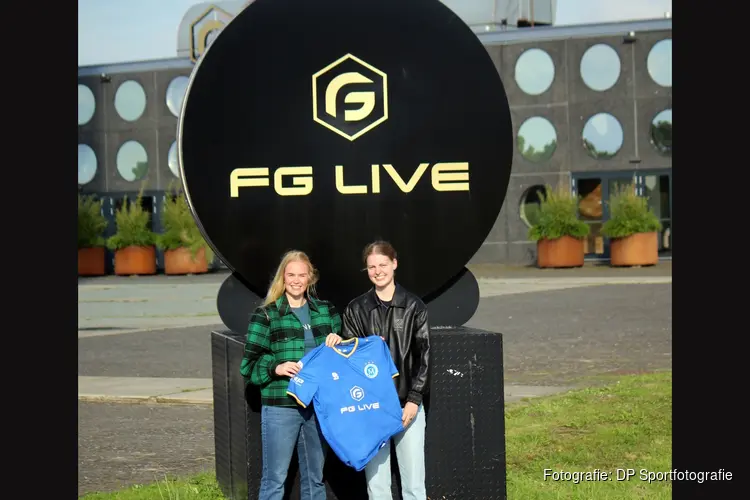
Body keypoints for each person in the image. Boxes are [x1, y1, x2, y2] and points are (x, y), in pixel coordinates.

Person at [326, 240, 430, 500]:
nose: (378, 271)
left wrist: (414, 400)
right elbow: (349, 362)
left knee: (414, 486)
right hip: (370, 410)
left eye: (383, 264)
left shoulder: (414, 307)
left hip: (407, 406)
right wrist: (339, 344)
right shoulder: (356, 309)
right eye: (371, 266)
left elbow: (424, 357)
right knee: (377, 487)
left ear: (394, 264)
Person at [240, 250, 342, 500]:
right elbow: (248, 365)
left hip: (317, 406)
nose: (296, 280)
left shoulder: (327, 313)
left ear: (310, 278)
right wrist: (276, 367)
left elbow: (339, 363)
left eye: (302, 275)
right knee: (275, 479)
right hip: (281, 406)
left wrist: (338, 342)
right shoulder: (266, 315)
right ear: (282, 279)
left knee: (315, 480)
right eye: (291, 275)